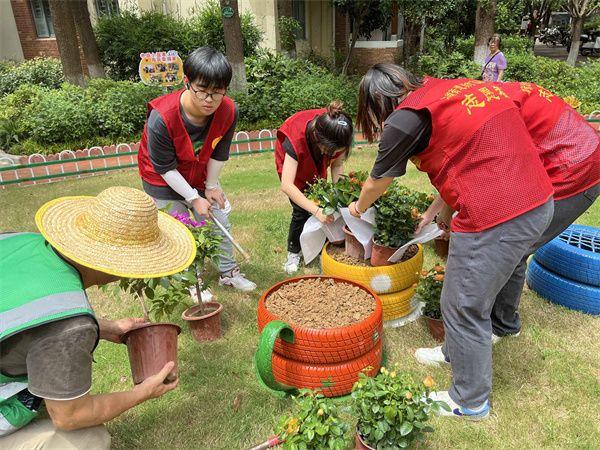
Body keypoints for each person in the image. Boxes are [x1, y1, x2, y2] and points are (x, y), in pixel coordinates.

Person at [348, 64, 568, 420]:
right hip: (536, 199)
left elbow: (377, 181)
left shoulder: (404, 119)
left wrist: (357, 208)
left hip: (499, 211)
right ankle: (454, 351)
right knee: (463, 288)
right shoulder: (454, 89)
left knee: (465, 303)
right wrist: (441, 209)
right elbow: (469, 152)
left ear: (378, 101)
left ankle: (470, 400)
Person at [0, 186, 196, 448]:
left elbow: (26, 314)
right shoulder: (71, 327)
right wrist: (140, 393)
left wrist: (105, 327)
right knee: (86, 439)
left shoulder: (19, 242)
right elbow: (69, 416)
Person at [416, 81, 599, 342]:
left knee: (509, 245)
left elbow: (469, 173)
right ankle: (503, 321)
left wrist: (447, 217)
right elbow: (462, 174)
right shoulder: (489, 97)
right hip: (576, 156)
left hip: (574, 170)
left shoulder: (488, 115)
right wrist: (437, 214)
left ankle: (499, 325)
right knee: (511, 243)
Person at [137, 46, 256, 292]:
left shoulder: (228, 110)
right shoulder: (161, 118)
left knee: (218, 217)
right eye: (202, 90)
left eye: (217, 92)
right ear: (187, 81)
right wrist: (192, 198)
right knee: (180, 229)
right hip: (162, 180)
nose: (209, 100)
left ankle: (228, 272)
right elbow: (165, 168)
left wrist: (210, 187)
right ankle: (192, 281)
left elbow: (220, 151)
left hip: (200, 172)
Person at [275, 102, 354, 273]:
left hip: (317, 158)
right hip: (294, 170)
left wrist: (339, 196)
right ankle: (293, 252)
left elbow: (337, 165)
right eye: (330, 151)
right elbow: (287, 185)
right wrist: (316, 211)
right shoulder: (296, 136)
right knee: (301, 211)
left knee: (324, 202)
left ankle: (319, 247)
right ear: (318, 138)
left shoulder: (338, 133)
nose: (333, 155)